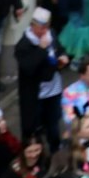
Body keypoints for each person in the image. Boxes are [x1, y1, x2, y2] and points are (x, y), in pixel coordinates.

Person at [16, 9, 68, 145]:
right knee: (35, 132)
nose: (44, 32)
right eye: (41, 28)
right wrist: (41, 49)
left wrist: (63, 56)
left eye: (46, 27)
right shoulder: (23, 45)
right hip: (36, 96)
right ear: (32, 26)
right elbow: (28, 67)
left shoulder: (51, 34)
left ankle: (55, 153)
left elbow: (59, 49)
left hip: (54, 90)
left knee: (54, 127)